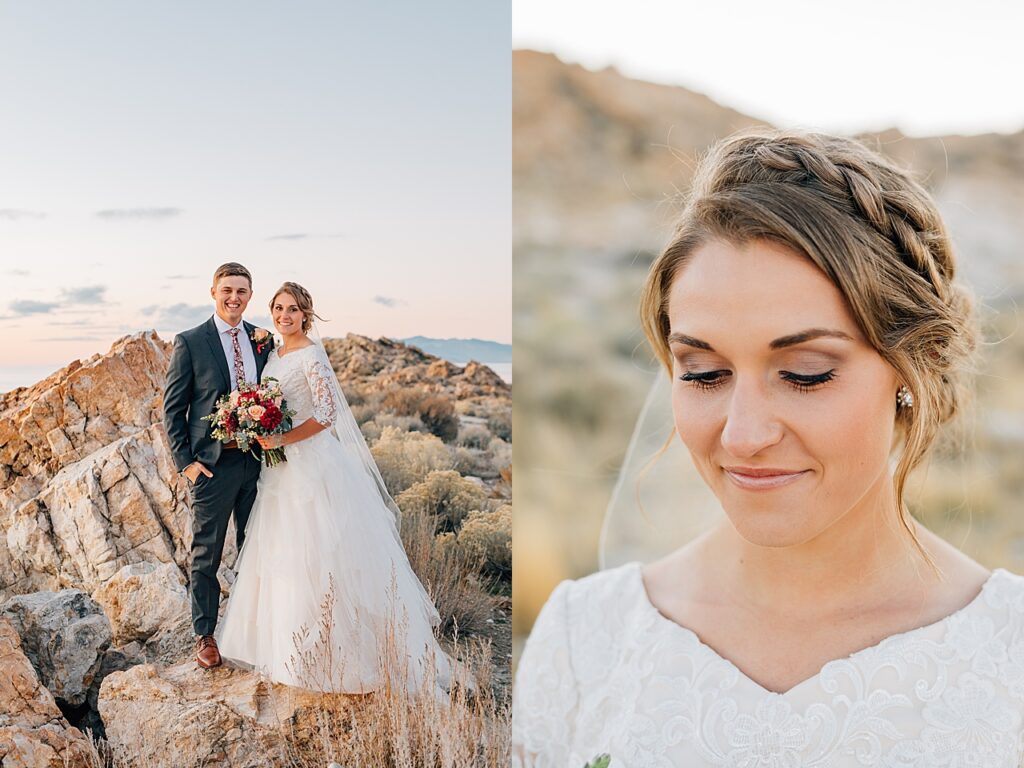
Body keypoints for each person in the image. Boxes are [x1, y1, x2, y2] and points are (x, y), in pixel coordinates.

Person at [511, 130, 1024, 766]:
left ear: (908, 370)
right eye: (702, 372)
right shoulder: (581, 638)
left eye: (806, 372)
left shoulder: (1011, 657)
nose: (743, 435)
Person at [215, 282, 454, 698]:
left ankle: (333, 655)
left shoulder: (310, 354)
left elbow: (326, 414)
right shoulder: (273, 352)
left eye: (292, 310)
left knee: (320, 553)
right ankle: (282, 649)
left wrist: (281, 440)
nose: (284, 316)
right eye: (278, 308)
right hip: (279, 471)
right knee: (281, 553)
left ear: (306, 314)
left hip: (312, 466)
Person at [163, 262, 274, 670]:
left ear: (250, 295)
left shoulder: (262, 340)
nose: (234, 298)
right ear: (213, 292)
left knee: (257, 547)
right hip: (212, 465)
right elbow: (173, 409)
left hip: (259, 463)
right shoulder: (191, 341)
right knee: (206, 553)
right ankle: (205, 633)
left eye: (242, 291)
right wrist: (186, 464)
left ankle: (253, 629)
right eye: (227, 290)